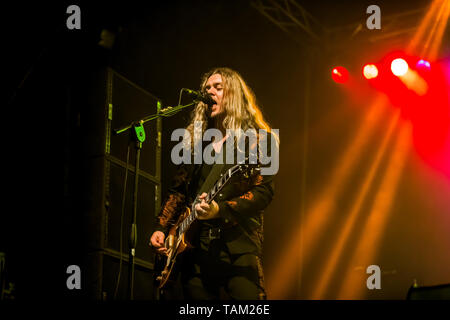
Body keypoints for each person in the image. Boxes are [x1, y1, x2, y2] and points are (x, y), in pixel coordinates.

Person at [149, 67, 278, 300]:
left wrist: (220, 209)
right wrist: (161, 228)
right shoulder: (196, 144)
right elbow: (178, 191)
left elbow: (263, 192)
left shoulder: (260, 140)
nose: (210, 93)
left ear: (235, 94)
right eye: (206, 89)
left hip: (237, 246)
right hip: (194, 250)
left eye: (218, 88)